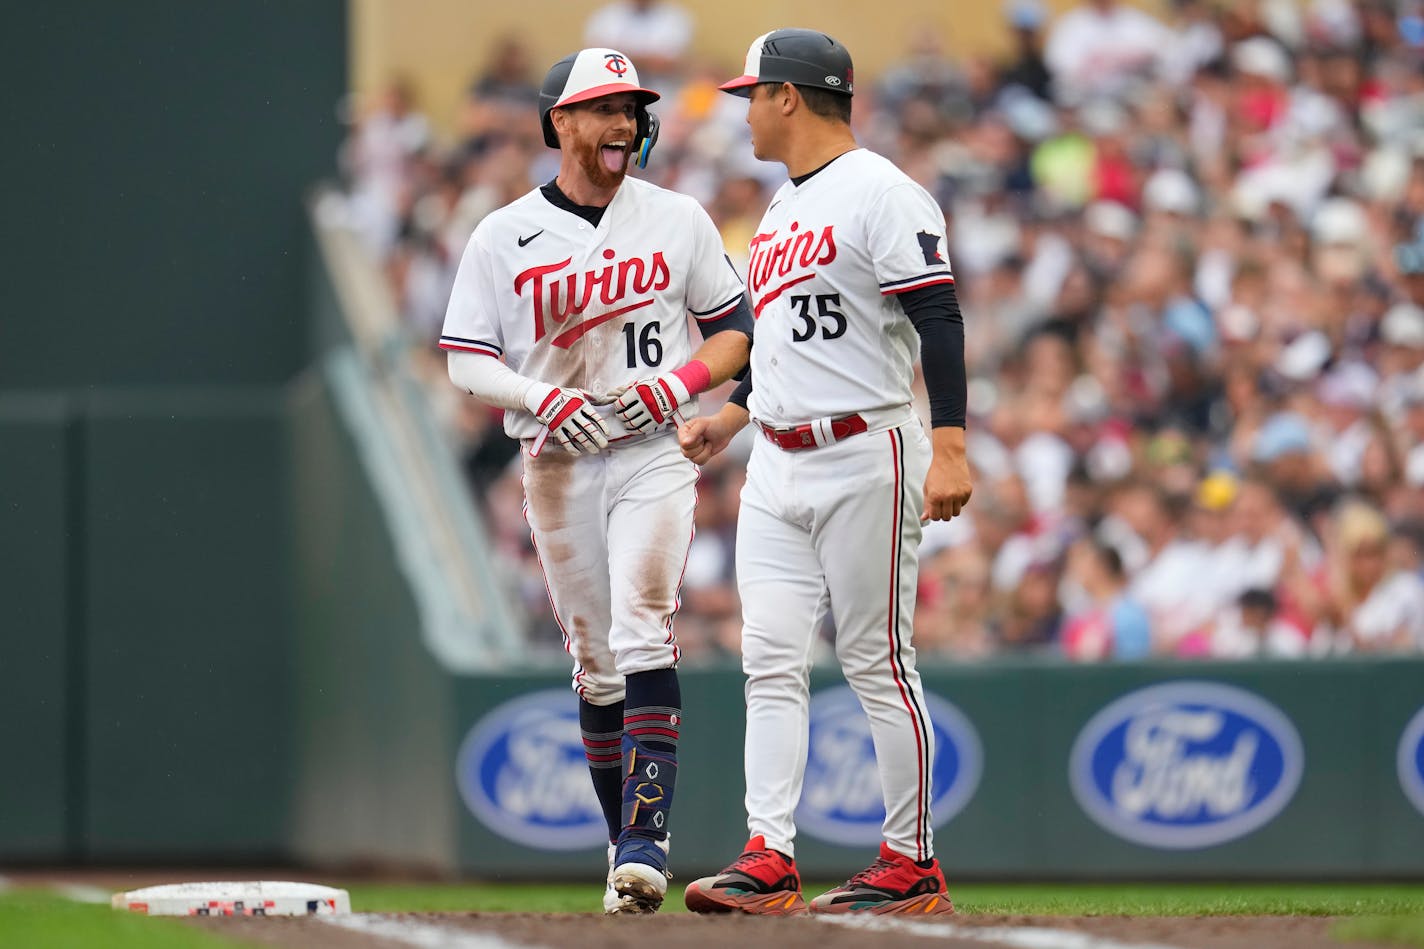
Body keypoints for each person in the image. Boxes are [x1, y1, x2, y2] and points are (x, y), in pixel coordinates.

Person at [438, 47, 752, 915]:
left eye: (633, 108)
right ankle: (625, 851)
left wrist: (679, 385)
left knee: (644, 628)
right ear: (560, 123)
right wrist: (541, 394)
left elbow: (734, 331)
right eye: (605, 107)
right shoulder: (502, 234)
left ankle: (648, 839)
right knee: (596, 661)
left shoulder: (676, 215)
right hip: (558, 457)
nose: (624, 123)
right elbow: (466, 357)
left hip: (650, 443)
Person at [678, 28, 972, 917]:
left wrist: (951, 441)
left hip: (864, 449)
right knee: (768, 659)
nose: (748, 109)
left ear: (790, 97)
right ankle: (769, 854)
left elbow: (940, 318)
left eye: (753, 94)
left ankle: (911, 857)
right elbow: (779, 343)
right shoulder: (780, 209)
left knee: (876, 659)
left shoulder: (883, 191)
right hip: (776, 457)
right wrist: (732, 414)